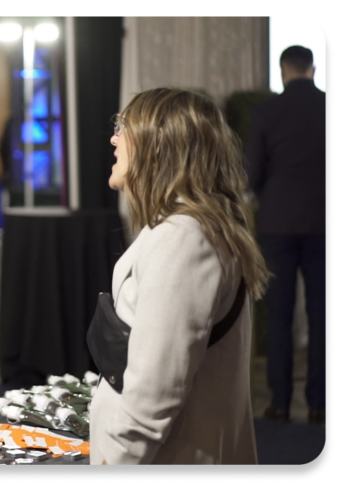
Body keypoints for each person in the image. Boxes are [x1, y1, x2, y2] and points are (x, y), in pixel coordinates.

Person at [89, 88, 269, 465]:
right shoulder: (189, 228)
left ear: (157, 145)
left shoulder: (184, 238)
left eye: (123, 126)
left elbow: (154, 393)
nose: (114, 138)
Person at [245, 46, 327, 424]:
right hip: (321, 224)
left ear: (283, 71)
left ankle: (279, 402)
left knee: (278, 316)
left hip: (277, 223)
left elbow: (252, 173)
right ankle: (319, 404)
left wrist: (269, 197)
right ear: (312, 68)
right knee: (321, 315)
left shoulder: (268, 111)